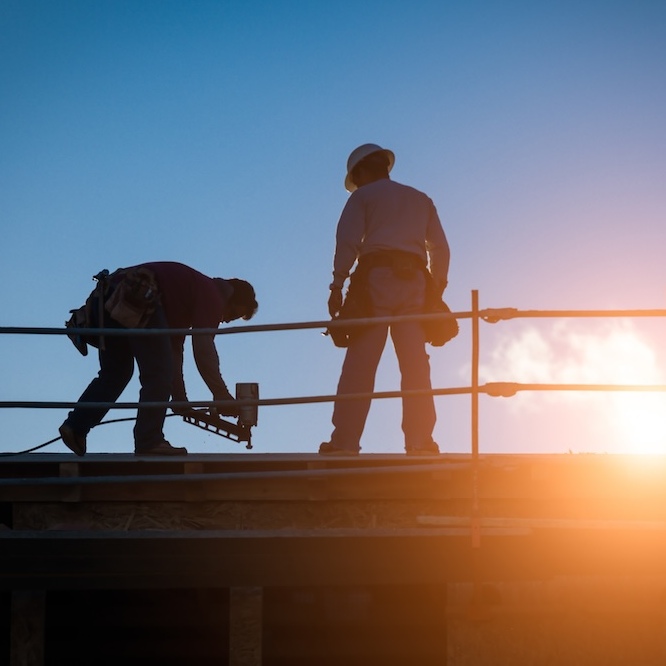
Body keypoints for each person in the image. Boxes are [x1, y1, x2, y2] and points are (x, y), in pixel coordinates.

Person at [319, 143, 450, 456]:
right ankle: (420, 443)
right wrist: (437, 289)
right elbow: (440, 249)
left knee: (360, 365)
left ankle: (344, 443)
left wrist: (336, 286)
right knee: (415, 365)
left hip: (375, 280)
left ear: (362, 171)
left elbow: (348, 242)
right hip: (415, 283)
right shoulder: (421, 199)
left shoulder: (363, 197)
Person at [59, 261, 258, 456]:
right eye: (231, 314)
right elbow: (203, 349)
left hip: (111, 296)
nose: (223, 320)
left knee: (116, 374)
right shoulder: (213, 295)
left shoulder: (185, 298)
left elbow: (174, 353)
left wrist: (180, 400)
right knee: (157, 374)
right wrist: (221, 395)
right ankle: (149, 441)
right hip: (139, 294)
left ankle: (76, 426)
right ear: (231, 296)